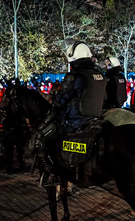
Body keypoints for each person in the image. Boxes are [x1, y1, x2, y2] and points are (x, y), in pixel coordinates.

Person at [34, 41, 107, 187]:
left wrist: (47, 119)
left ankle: (52, 174)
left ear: (73, 58)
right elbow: (104, 98)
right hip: (95, 119)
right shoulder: (99, 74)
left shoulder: (75, 76)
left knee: (39, 139)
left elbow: (60, 102)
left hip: (74, 121)